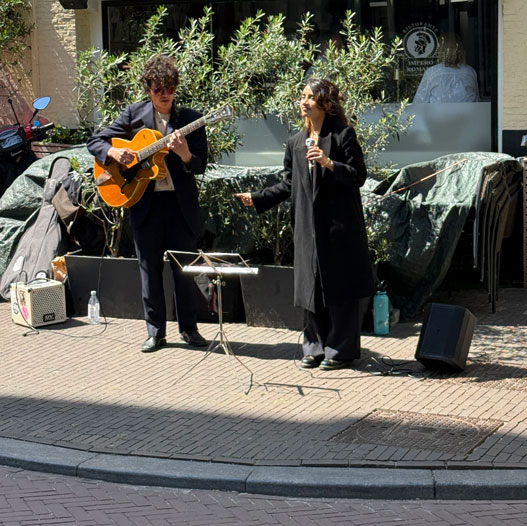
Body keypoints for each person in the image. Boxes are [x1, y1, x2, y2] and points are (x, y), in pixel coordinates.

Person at [235, 78, 375, 371]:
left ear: (325, 103)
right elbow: (289, 184)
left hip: (339, 228)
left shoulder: (343, 135)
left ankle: (341, 351)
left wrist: (328, 163)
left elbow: (358, 175)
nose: (304, 102)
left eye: (310, 97)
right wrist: (257, 197)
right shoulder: (296, 143)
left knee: (339, 289)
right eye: (302, 97)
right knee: (311, 288)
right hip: (308, 229)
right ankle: (314, 348)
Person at [87, 54, 209, 353]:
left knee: (184, 270)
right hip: (145, 204)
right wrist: (114, 155)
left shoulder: (191, 120)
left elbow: (201, 165)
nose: (165, 94)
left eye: (169, 88)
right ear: (148, 89)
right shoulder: (133, 115)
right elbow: (96, 142)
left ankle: (189, 330)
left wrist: (185, 155)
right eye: (158, 89)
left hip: (179, 207)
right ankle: (155, 332)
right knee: (149, 270)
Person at [413, 33, 479, 103]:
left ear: (440, 50)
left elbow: (418, 104)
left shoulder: (432, 73)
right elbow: (477, 101)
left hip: (438, 114)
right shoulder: (470, 72)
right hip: (469, 114)